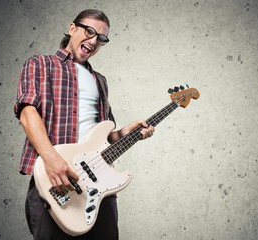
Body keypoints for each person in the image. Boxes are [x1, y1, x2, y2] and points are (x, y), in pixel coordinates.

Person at [14, 9, 154, 240]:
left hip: (98, 189)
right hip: (55, 180)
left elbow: (102, 139)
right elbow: (27, 113)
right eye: (89, 31)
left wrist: (126, 133)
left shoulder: (100, 81)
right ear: (72, 28)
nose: (94, 40)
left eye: (101, 38)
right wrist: (51, 159)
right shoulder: (40, 64)